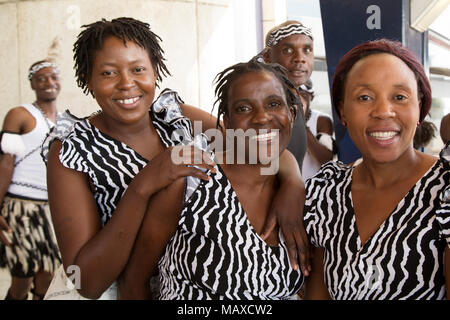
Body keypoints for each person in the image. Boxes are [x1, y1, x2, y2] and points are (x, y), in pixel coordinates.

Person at [44, 17, 308, 300]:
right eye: (108, 73)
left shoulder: (178, 118)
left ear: (155, 72)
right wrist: (142, 187)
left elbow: (254, 144)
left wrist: (293, 183)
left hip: (188, 280)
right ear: (88, 79)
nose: (126, 83)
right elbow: (87, 282)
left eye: (138, 69)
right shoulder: (72, 149)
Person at [118, 60, 305, 299]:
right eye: (244, 109)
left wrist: (294, 182)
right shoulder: (192, 182)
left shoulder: (304, 200)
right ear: (227, 123)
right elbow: (133, 282)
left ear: (292, 113)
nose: (261, 118)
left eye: (274, 104)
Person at [303, 39, 449, 300]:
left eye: (400, 97)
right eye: (365, 97)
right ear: (342, 110)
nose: (383, 111)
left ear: (420, 108)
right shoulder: (326, 192)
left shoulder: (445, 189)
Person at [0, 60, 61, 300]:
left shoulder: (64, 121)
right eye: (41, 78)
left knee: (46, 281)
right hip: (21, 207)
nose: (48, 83)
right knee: (22, 279)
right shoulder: (19, 114)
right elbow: (5, 162)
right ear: (32, 84)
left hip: (49, 209)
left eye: (52, 77)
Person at [261, 20, 334, 175]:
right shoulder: (260, 109)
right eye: (287, 50)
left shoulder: (314, 117)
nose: (300, 58)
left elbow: (326, 161)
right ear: (267, 57)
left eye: (307, 50)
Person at [298, 79, 336, 180]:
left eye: (303, 93)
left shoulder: (321, 120)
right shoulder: (278, 120)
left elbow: (325, 163)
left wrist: (301, 123)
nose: (297, 98)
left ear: (312, 96)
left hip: (314, 190)